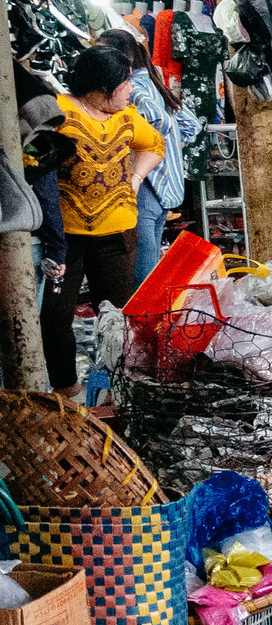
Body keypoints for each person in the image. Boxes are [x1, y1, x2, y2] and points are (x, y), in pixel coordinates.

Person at [39, 42, 164, 393]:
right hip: (66, 238)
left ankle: (120, 389)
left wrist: (136, 179)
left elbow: (155, 145)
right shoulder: (59, 111)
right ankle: (68, 392)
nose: (131, 89)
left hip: (117, 234)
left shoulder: (127, 117)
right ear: (100, 88)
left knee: (117, 317)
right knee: (55, 317)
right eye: (124, 82)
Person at [97, 30, 191, 288]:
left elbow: (158, 119)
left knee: (143, 273)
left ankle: (147, 322)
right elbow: (190, 124)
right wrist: (168, 150)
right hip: (165, 184)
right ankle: (154, 320)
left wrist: (141, 146)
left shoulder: (133, 87)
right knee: (149, 267)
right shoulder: (152, 79)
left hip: (147, 185)